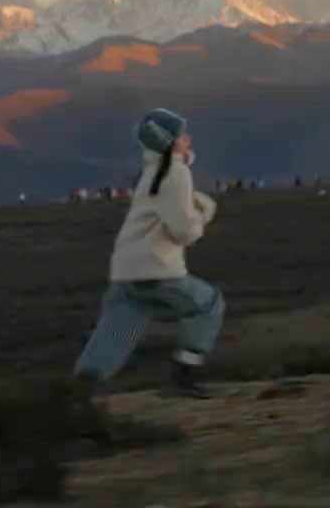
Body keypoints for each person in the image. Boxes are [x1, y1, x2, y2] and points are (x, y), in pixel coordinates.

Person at [72, 108, 223, 401]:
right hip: (156, 269)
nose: (188, 140)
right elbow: (183, 231)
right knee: (208, 304)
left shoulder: (150, 172)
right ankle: (185, 375)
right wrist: (203, 214)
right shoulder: (176, 172)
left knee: (116, 335)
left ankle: (76, 395)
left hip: (126, 271)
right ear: (170, 142)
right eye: (182, 135)